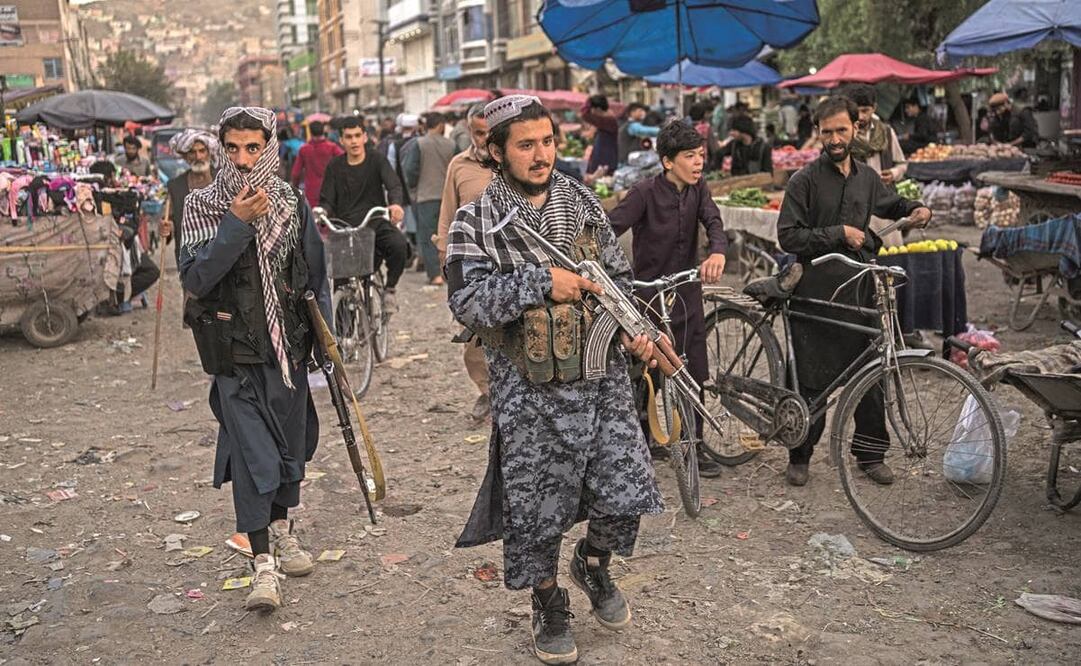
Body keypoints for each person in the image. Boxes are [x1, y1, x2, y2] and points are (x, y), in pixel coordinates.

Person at [445, 95, 664, 665]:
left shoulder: (583, 202)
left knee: (627, 486)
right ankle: (547, 601)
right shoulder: (477, 221)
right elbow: (466, 303)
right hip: (528, 392)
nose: (541, 154)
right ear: (496, 151)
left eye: (547, 141)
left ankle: (592, 564)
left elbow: (618, 281)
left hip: (602, 378)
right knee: (537, 505)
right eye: (526, 145)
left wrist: (638, 334)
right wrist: (538, 283)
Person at [178, 107, 332, 612]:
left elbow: (312, 276)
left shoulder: (290, 202)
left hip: (287, 352)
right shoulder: (202, 205)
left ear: (269, 147)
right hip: (234, 355)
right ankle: (262, 566)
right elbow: (197, 279)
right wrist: (235, 225)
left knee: (291, 448)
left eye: (253, 148)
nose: (243, 161)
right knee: (252, 457)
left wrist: (327, 345)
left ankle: (284, 531)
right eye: (233, 149)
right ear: (221, 149)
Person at [776, 96, 931, 488]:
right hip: (816, 296)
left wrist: (916, 208)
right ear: (818, 133)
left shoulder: (866, 178)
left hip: (860, 291)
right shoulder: (804, 181)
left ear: (855, 129)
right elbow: (787, 235)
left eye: (841, 130)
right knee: (811, 381)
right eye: (826, 132)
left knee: (870, 374)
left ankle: (870, 454)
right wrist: (838, 233)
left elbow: (892, 203)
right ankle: (801, 454)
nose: (834, 139)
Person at [608, 120, 728, 479]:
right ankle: (642, 448)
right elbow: (610, 227)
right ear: (666, 161)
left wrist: (717, 251)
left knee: (692, 370)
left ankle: (696, 445)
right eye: (689, 157)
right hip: (648, 297)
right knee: (648, 373)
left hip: (687, 293)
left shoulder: (699, 189)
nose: (698, 163)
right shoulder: (644, 192)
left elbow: (714, 221)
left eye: (700, 156)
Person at [436, 103, 493, 422]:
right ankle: (487, 391)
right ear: (470, 132)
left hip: (509, 263)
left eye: (489, 132)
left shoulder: (511, 164)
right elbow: (447, 213)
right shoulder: (458, 165)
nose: (484, 139)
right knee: (473, 335)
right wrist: (445, 254)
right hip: (470, 263)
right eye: (478, 132)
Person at [318, 117, 407, 310]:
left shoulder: (377, 160)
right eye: (349, 137)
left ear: (365, 137)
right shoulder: (335, 166)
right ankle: (344, 332)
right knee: (340, 283)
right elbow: (326, 199)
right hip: (344, 228)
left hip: (374, 223)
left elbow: (393, 185)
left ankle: (390, 289)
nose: (354, 141)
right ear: (341, 140)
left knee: (399, 245)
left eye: (358, 136)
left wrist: (396, 204)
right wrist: (322, 211)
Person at [845, 84, 909, 247]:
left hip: (885, 206)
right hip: (856, 208)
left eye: (865, 110)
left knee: (891, 255)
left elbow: (901, 163)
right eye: (856, 111)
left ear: (874, 108)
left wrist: (893, 174)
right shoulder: (843, 135)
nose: (860, 116)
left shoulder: (887, 132)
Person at [402, 111, 456, 284]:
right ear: (440, 125)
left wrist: (413, 187)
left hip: (426, 196)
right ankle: (451, 272)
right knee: (449, 235)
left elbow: (410, 170)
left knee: (428, 236)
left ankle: (435, 274)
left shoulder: (419, 144)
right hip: (449, 197)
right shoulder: (451, 144)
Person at [161, 129, 218, 267]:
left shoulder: (223, 180)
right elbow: (169, 220)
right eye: (192, 152)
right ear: (186, 157)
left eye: (202, 151)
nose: (198, 157)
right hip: (189, 260)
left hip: (220, 257)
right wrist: (166, 228)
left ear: (209, 154)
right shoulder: (175, 186)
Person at [290, 121, 343, 209]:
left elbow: (296, 173)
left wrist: (295, 188)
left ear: (310, 132)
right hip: (331, 190)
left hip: (311, 192)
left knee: (314, 218)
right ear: (323, 131)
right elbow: (344, 161)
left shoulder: (304, 149)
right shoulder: (332, 147)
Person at [579, 94, 619, 174]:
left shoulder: (607, 121)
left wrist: (589, 101)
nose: (591, 112)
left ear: (598, 109)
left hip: (605, 160)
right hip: (604, 158)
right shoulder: (607, 120)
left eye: (592, 109)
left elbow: (584, 114)